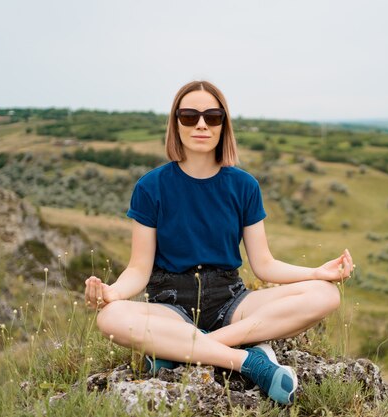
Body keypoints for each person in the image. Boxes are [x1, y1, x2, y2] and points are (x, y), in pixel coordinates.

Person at [84, 80, 354, 405]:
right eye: (189, 116)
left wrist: (316, 272)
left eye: (212, 116)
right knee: (109, 318)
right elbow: (139, 269)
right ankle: (249, 362)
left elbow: (264, 266)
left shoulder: (244, 186)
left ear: (223, 125)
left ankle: (187, 349)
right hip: (170, 305)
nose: (201, 124)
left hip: (231, 301)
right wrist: (112, 293)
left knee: (325, 295)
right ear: (176, 123)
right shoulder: (151, 187)